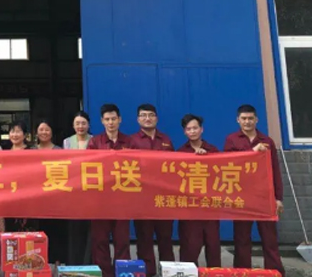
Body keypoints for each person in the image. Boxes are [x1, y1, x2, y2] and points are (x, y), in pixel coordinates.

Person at [224, 105, 285, 276]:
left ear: (256, 120)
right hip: (241, 196)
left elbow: (274, 170)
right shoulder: (232, 140)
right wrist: (252, 152)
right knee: (242, 239)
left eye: (250, 118)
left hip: (264, 196)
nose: (247, 122)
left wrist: (278, 198)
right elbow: (229, 164)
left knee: (270, 239)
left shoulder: (267, 141)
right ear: (238, 120)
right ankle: (242, 272)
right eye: (244, 118)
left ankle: (275, 272)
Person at [128, 104, 175, 277]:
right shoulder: (131, 141)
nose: (147, 118)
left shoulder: (166, 140)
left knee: (165, 237)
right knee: (144, 237)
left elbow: (174, 165)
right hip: (142, 198)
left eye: (151, 115)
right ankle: (148, 272)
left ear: (156, 118)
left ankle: (168, 270)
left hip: (163, 197)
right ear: (138, 119)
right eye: (143, 115)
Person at [87, 104, 131, 277]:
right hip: (100, 200)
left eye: (113, 119)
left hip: (122, 199)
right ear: (102, 121)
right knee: (100, 240)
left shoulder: (129, 142)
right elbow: (88, 167)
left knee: (122, 240)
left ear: (120, 120)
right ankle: (104, 273)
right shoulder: (95, 142)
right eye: (107, 119)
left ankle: (122, 273)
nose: (111, 122)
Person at [177, 114, 221, 268]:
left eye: (195, 128)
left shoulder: (213, 150)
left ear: (201, 129)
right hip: (189, 207)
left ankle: (215, 273)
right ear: (185, 132)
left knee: (213, 245)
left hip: (210, 206)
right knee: (189, 245)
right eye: (189, 129)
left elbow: (221, 174)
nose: (192, 131)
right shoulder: (180, 152)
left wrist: (206, 159)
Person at [30, 119, 65, 264]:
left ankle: (55, 261)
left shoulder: (59, 151)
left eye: (47, 129)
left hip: (54, 198)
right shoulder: (30, 151)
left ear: (51, 132)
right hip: (35, 199)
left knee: (54, 230)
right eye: (41, 129)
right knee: (37, 231)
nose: (44, 132)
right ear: (36, 132)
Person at [63, 111, 92, 265]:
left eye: (83, 123)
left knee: (90, 228)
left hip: (90, 189)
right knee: (74, 228)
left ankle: (88, 262)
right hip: (73, 190)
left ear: (88, 125)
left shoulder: (95, 141)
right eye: (77, 123)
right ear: (73, 125)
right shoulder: (67, 142)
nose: (80, 126)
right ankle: (73, 263)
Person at [4, 120, 35, 233]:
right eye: (12, 131)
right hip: (8, 195)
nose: (15, 135)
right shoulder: (4, 152)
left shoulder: (32, 152)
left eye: (18, 132)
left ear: (25, 135)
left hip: (26, 194)